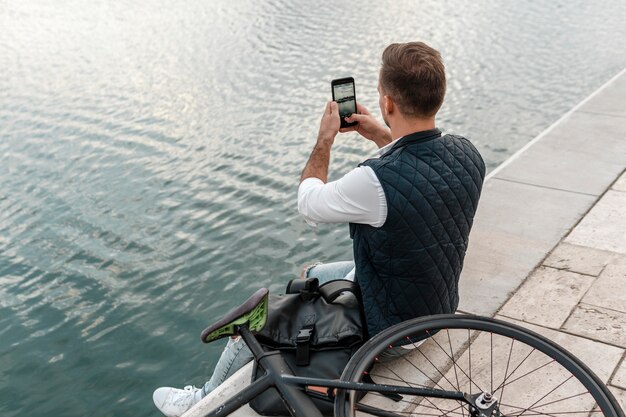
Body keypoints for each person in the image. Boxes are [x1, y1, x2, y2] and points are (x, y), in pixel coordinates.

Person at [152, 41, 485, 417]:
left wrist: (325, 138)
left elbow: (309, 202)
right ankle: (314, 299)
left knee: (263, 322)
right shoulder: (467, 153)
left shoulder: (374, 181)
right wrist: (380, 135)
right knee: (313, 276)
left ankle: (202, 402)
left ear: (388, 102)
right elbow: (421, 173)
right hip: (434, 307)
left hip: (393, 331)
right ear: (437, 96)